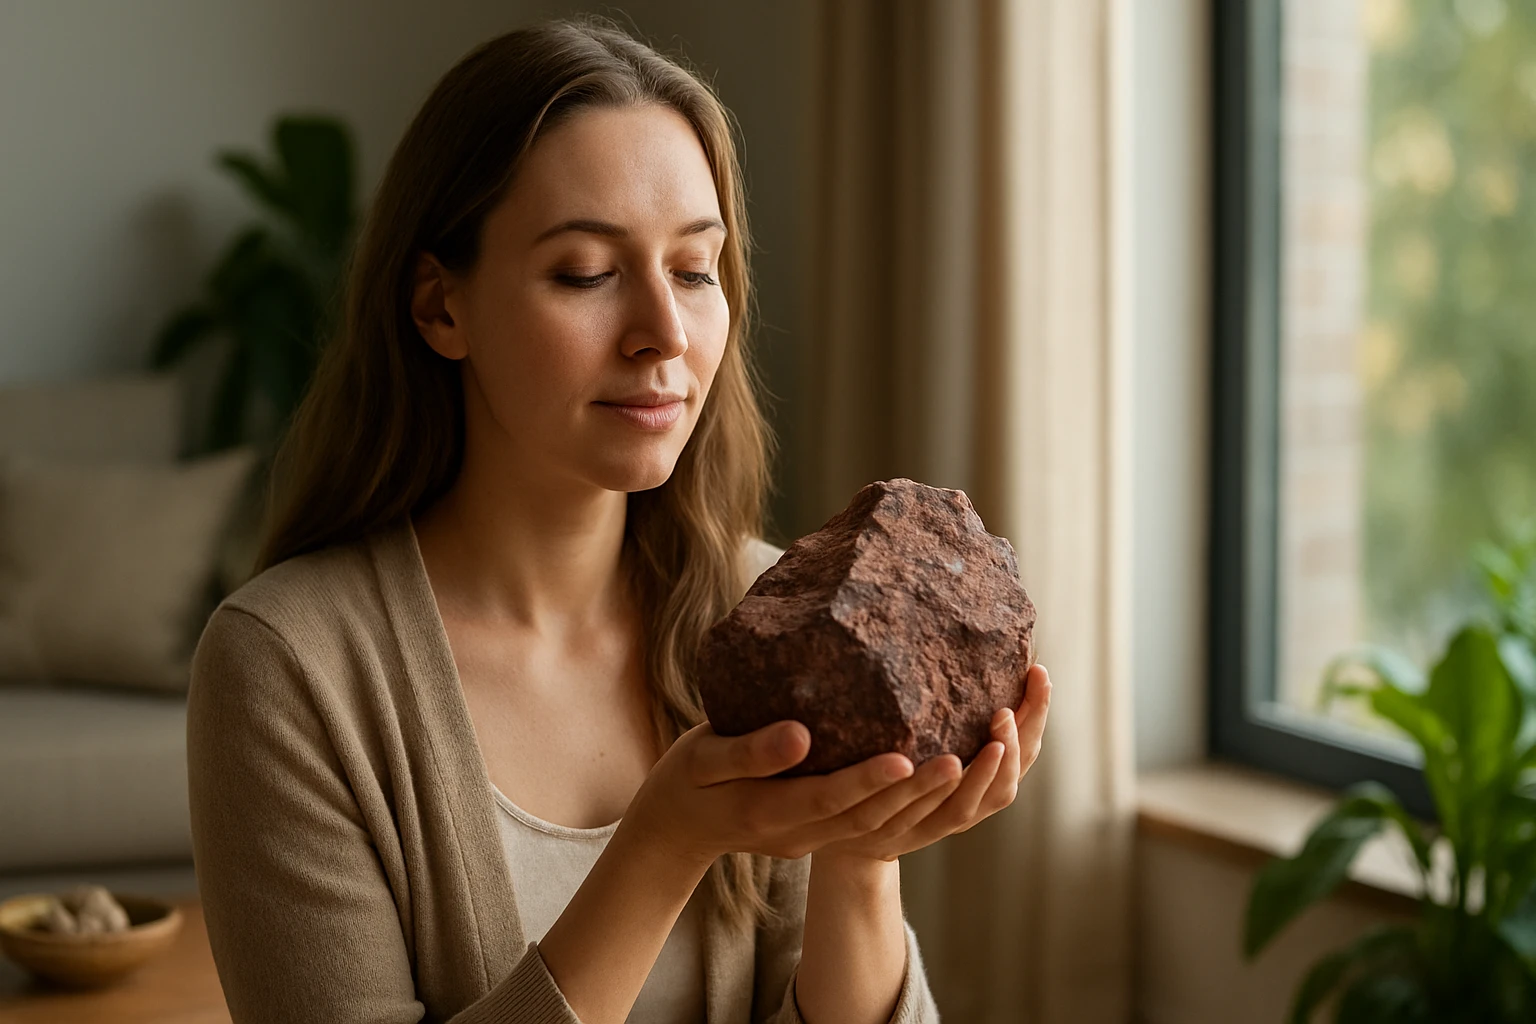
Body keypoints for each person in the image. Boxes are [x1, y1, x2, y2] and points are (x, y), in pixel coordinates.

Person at [185, 16, 1052, 1024]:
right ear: (439, 308)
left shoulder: (767, 616)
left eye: (694, 270)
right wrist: (664, 842)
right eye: (587, 273)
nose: (664, 334)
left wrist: (861, 851)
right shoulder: (289, 669)